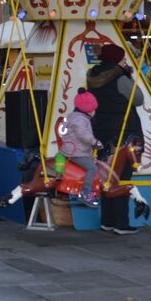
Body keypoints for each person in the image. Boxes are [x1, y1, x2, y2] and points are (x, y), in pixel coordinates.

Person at [87, 43, 143, 235]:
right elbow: (138, 99)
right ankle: (121, 222)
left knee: (107, 176)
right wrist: (128, 76)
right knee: (123, 176)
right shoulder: (120, 78)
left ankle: (107, 220)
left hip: (103, 131)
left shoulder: (93, 76)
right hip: (123, 132)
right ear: (116, 60)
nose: (126, 62)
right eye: (123, 59)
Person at [61, 88, 104, 208]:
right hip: (76, 152)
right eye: (93, 108)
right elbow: (83, 134)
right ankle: (85, 193)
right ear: (88, 110)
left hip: (78, 150)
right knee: (92, 169)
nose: (95, 111)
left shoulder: (75, 116)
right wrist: (95, 142)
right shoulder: (80, 120)